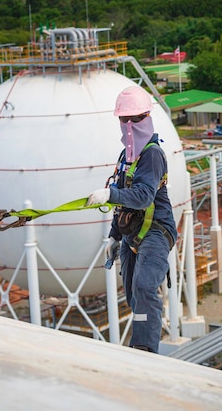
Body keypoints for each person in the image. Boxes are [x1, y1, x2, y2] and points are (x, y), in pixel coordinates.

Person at [86, 85, 177, 353]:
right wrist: (115, 234)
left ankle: (145, 348)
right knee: (132, 291)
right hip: (131, 231)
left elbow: (143, 197)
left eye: (135, 118)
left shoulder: (151, 155)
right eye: (124, 119)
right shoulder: (126, 158)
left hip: (156, 231)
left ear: (147, 117)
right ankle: (139, 341)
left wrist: (109, 194)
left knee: (145, 286)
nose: (129, 124)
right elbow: (124, 199)